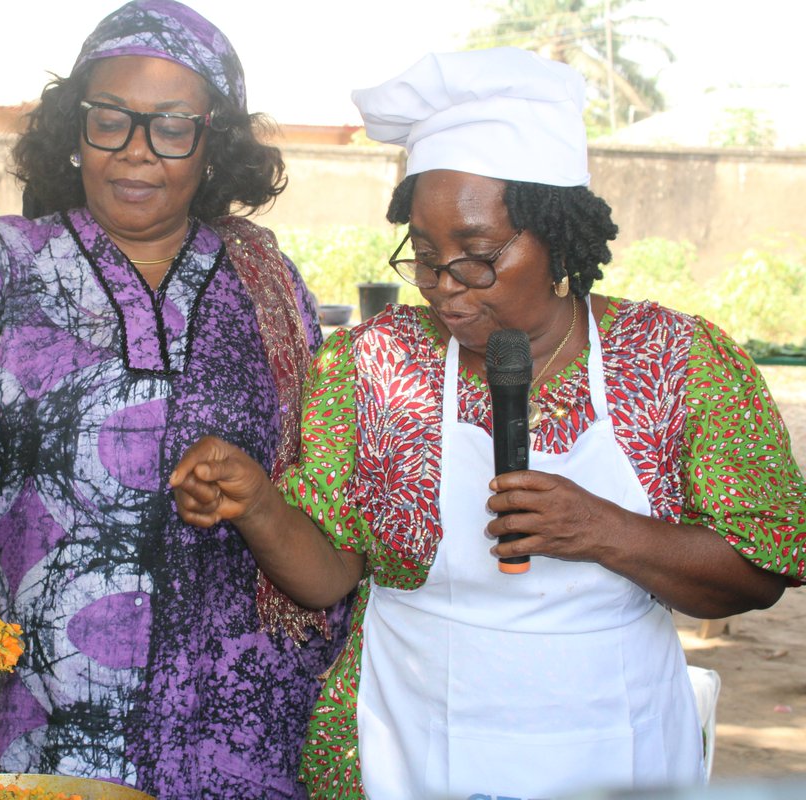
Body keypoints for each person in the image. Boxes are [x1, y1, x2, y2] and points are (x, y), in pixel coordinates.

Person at [171, 47, 805, 800]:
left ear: (558, 238)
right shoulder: (375, 364)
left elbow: (763, 573)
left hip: (612, 745)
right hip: (407, 745)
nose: (445, 288)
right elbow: (329, 576)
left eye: (476, 258)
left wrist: (605, 530)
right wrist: (260, 507)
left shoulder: (676, 362)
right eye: (427, 257)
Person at [0, 2, 348, 797]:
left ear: (214, 146)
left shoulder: (266, 291)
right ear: (74, 133)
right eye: (110, 119)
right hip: (38, 712)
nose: (136, 152)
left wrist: (256, 495)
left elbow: (325, 484)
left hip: (236, 719)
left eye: (173, 127)